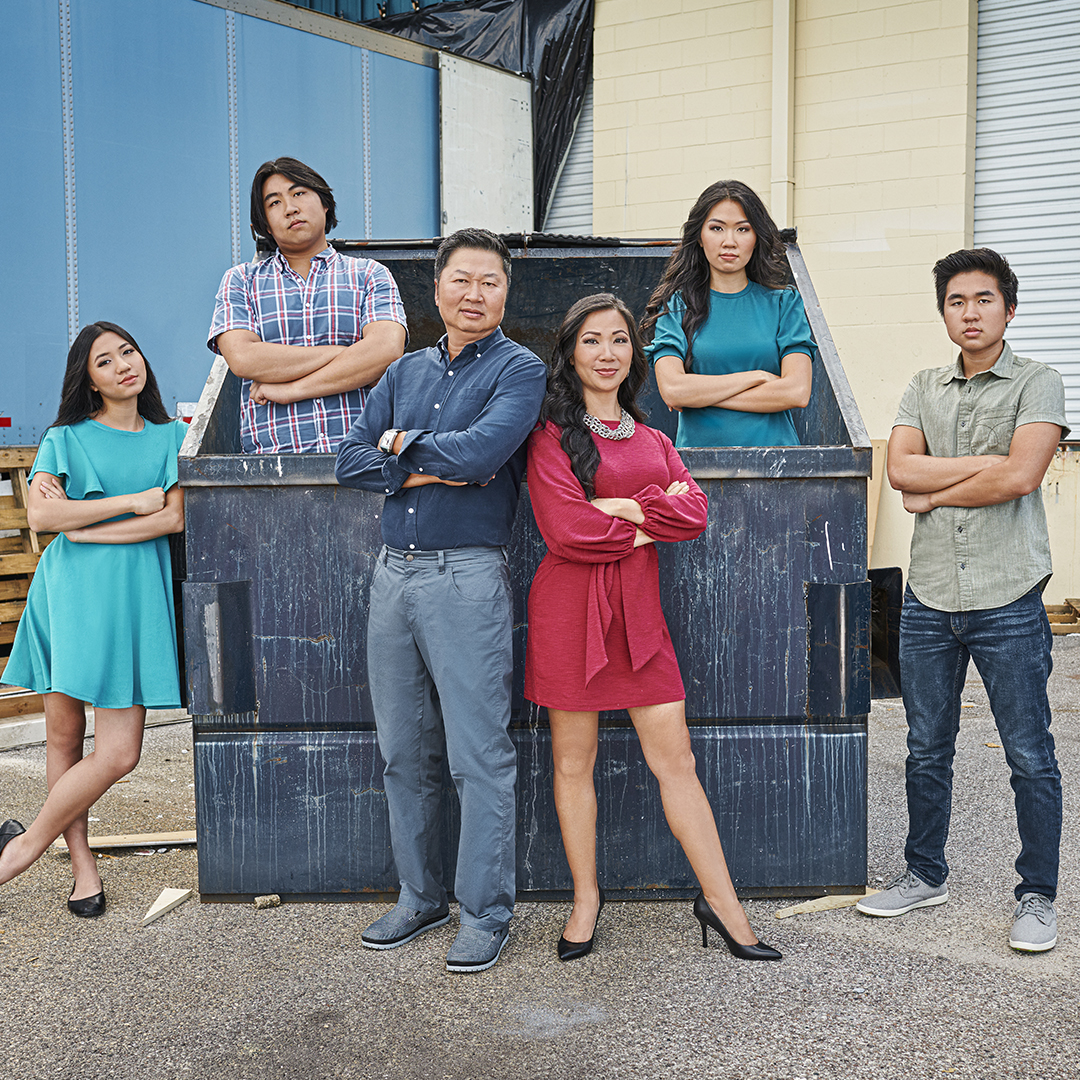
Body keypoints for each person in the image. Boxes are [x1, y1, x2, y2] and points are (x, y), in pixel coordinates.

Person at [524, 293, 781, 963]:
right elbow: (566, 530)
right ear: (571, 353)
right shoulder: (550, 436)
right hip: (569, 615)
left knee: (678, 763)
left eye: (618, 340)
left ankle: (722, 903)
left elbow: (692, 516)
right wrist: (647, 514)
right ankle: (587, 899)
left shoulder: (655, 439)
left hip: (640, 620)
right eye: (591, 341)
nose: (607, 353)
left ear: (632, 353)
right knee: (572, 763)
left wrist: (618, 506)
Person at [335, 228, 547, 973]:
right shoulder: (402, 370)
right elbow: (349, 460)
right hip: (392, 576)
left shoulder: (521, 370)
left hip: (466, 577)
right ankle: (420, 896)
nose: (474, 294)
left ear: (504, 293)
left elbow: (484, 455)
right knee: (401, 750)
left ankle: (487, 913)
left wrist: (401, 450)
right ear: (437, 288)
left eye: (490, 282)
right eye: (462, 279)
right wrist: (423, 459)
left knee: (477, 754)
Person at [856, 248, 1067, 953]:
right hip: (930, 598)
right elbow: (899, 471)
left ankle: (1037, 895)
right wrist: (987, 463)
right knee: (925, 748)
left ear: (1010, 307)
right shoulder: (923, 385)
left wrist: (933, 488)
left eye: (983, 299)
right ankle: (924, 874)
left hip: (1008, 596)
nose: (969, 313)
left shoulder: (1039, 382)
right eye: (956, 301)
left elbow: (1022, 477)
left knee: (1029, 753)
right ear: (943, 311)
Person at [0, 322, 187, 916]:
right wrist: (129, 503)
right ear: (90, 380)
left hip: (131, 596)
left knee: (118, 752)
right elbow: (41, 516)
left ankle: (19, 848)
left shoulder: (172, 436)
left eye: (128, 352)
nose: (123, 366)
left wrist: (86, 527)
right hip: (72, 592)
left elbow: (173, 520)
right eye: (105, 362)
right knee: (63, 734)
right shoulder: (66, 436)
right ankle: (82, 866)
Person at [208, 156, 407, 454]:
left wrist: (289, 390)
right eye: (274, 202)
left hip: (363, 461)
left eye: (299, 193)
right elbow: (243, 358)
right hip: (272, 467)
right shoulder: (241, 281)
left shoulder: (369, 275)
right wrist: (345, 354)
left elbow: (387, 351)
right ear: (264, 224)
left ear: (325, 203)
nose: (290, 208)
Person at [642, 179, 814, 448]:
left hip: (779, 465)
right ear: (699, 236)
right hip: (699, 465)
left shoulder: (784, 304)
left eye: (743, 229)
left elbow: (797, 392)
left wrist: (701, 396)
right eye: (717, 228)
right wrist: (756, 377)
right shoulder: (676, 307)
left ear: (756, 237)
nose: (729, 241)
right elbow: (674, 390)